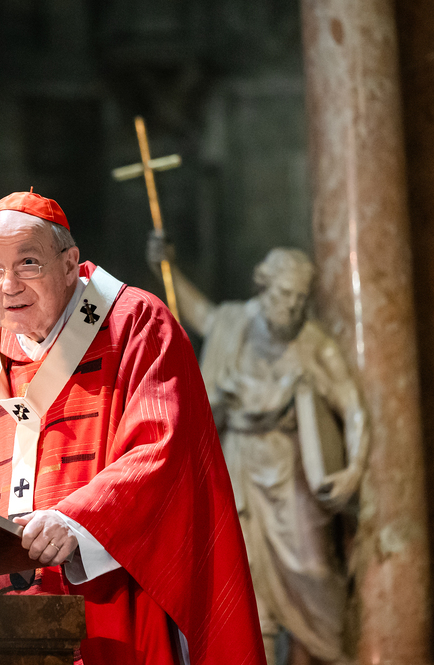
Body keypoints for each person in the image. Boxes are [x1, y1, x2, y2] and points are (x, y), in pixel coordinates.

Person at [0, 191, 265, 665]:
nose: (8, 285)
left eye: (28, 263)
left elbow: (162, 450)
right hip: (5, 624)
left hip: (110, 605)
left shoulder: (135, 322)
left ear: (70, 264)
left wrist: (76, 520)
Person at [146, 236, 369, 665]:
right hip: (239, 467)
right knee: (245, 581)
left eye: (300, 299)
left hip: (292, 474)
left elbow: (353, 407)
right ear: (264, 287)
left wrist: (354, 470)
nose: (292, 307)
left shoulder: (314, 344)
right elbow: (201, 314)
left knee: (313, 572)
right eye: (284, 295)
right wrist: (165, 269)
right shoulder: (235, 323)